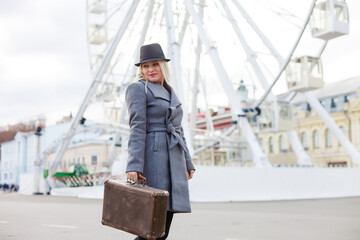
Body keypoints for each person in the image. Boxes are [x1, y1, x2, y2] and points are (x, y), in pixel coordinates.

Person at [125, 43, 195, 240]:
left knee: (163, 227)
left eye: (154, 64)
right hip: (154, 159)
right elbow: (137, 127)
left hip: (174, 159)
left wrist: (188, 163)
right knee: (151, 228)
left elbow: (179, 130)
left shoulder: (171, 92)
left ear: (163, 65)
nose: (150, 70)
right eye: (145, 66)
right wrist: (134, 166)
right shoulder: (138, 89)